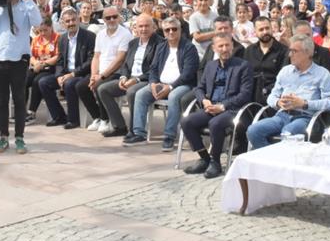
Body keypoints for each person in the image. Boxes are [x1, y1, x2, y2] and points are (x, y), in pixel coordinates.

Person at [0, 0, 43, 153]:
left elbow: (38, 23)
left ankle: (19, 138)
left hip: (19, 58)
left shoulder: (26, 6)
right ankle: (2, 137)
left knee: (18, 99)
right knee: (1, 100)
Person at [180, 33, 254, 179]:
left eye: (227, 45)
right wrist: (204, 101)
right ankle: (204, 158)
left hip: (234, 109)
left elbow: (245, 95)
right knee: (186, 121)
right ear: (214, 48)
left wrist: (222, 106)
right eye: (221, 46)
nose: (224, 49)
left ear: (232, 46)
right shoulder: (210, 66)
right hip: (211, 107)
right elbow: (199, 88)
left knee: (215, 123)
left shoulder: (243, 66)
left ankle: (215, 162)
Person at [246, 36, 330, 148]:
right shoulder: (285, 71)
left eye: (294, 51)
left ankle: (280, 162)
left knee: (288, 133)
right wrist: (278, 102)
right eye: (290, 51)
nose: (290, 55)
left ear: (308, 53)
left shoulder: (322, 74)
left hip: (306, 118)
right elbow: (272, 95)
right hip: (282, 115)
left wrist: (304, 104)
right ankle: (272, 161)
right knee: (253, 130)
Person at [128, 17, 199, 150]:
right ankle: (139, 133)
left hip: (183, 85)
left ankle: (169, 136)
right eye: (167, 30)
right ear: (164, 32)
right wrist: (153, 83)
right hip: (161, 83)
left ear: (180, 30)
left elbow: (188, 74)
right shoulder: (161, 47)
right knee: (140, 94)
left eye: (174, 29)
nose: (171, 32)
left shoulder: (189, 48)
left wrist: (171, 87)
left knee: (173, 97)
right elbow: (153, 68)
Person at [100, 15, 161, 139]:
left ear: (153, 27)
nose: (143, 29)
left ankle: (134, 130)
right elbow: (126, 64)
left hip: (147, 79)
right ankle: (119, 126)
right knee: (103, 89)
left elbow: (156, 69)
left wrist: (136, 79)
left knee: (132, 92)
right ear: (136, 28)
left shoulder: (160, 43)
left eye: (146, 26)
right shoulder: (133, 43)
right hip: (130, 78)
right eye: (140, 26)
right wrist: (123, 77)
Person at [40, 8, 95, 129]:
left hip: (82, 74)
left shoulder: (89, 37)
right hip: (65, 73)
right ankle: (59, 116)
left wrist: (73, 74)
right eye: (68, 21)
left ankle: (73, 119)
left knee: (69, 84)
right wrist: (59, 75)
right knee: (43, 82)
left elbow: (91, 61)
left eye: (73, 20)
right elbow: (60, 61)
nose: (71, 23)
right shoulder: (62, 39)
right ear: (63, 24)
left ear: (79, 20)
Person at [82, 5, 131, 133]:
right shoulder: (100, 34)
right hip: (100, 72)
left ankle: (105, 119)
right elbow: (96, 56)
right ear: (103, 20)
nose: (111, 20)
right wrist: (94, 75)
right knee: (81, 86)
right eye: (108, 18)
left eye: (114, 17)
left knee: (100, 86)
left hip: (116, 72)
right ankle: (97, 117)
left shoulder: (125, 34)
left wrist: (101, 76)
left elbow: (120, 59)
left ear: (119, 17)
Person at [244, 17, 288, 104]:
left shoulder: (283, 51)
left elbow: (283, 79)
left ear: (272, 29)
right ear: (255, 32)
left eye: (267, 28)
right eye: (261, 29)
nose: (265, 32)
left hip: (273, 96)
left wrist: (266, 90)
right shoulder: (249, 50)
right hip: (250, 95)